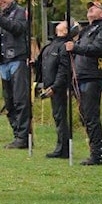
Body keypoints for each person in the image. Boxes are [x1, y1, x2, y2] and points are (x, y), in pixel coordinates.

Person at [66, 0, 102, 166]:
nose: (90, 10)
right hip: (81, 76)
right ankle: (93, 148)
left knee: (91, 116)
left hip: (93, 76)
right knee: (84, 115)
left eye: (95, 8)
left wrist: (76, 48)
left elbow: (98, 49)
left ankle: (97, 155)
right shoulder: (86, 30)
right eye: (89, 8)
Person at [0, 0, 32, 149]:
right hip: (3, 61)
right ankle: (17, 134)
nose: (1, 2)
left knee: (21, 100)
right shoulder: (0, 17)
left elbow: (18, 29)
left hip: (18, 59)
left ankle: (23, 136)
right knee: (9, 101)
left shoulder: (20, 12)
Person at [34, 20, 74, 159]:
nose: (60, 23)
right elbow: (42, 64)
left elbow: (64, 70)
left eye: (65, 23)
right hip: (49, 85)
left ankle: (63, 149)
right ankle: (61, 146)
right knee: (57, 116)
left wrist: (55, 87)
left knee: (60, 116)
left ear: (67, 30)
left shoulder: (63, 46)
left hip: (58, 87)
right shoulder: (51, 45)